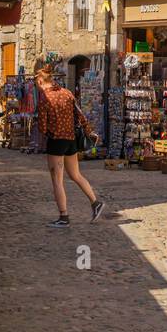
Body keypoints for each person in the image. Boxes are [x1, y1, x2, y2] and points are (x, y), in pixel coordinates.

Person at [36, 67, 105, 227]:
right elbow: (80, 115)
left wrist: (48, 132)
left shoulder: (45, 97)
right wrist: (89, 132)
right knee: (76, 175)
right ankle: (95, 203)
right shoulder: (67, 93)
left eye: (37, 84)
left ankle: (64, 216)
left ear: (41, 81)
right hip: (71, 139)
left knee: (57, 180)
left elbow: (42, 126)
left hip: (57, 141)